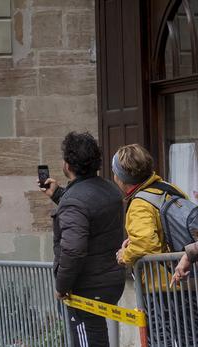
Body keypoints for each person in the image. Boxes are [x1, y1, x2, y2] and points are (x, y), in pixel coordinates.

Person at [38, 131, 125, 347]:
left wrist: (61, 285)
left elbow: (73, 249)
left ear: (67, 165)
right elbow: (90, 213)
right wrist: (59, 194)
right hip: (112, 280)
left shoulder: (74, 202)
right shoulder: (110, 190)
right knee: (96, 335)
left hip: (87, 286)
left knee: (87, 339)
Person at [109, 144, 197, 346]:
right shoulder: (169, 188)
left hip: (161, 286)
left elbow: (145, 244)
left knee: (160, 339)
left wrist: (124, 255)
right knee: (192, 337)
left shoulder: (140, 203)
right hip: (187, 278)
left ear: (122, 178)